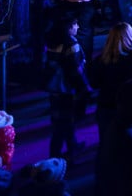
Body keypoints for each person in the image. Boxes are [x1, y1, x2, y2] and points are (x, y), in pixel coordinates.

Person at [89, 23, 132, 144]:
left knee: (107, 142)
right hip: (128, 103)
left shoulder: (101, 59)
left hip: (106, 104)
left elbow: (94, 83)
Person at [42, 12, 90, 158]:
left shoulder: (51, 40)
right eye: (75, 24)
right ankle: (59, 155)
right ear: (68, 27)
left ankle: (71, 145)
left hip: (54, 88)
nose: (78, 27)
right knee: (65, 122)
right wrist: (85, 87)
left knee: (59, 121)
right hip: (67, 88)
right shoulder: (72, 44)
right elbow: (76, 70)